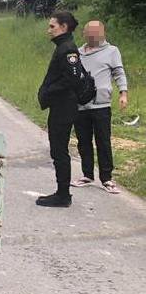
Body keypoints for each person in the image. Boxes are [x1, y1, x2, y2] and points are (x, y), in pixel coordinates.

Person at [71, 20, 128, 194]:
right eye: (89, 32)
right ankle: (87, 174)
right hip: (81, 105)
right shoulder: (77, 53)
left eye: (96, 33)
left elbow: (119, 73)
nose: (92, 36)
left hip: (101, 105)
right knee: (83, 141)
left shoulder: (112, 51)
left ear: (103, 34)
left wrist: (123, 93)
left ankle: (107, 178)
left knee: (103, 141)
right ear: (84, 33)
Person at [36, 11, 86, 207]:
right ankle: (62, 192)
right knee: (57, 149)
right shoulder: (63, 46)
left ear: (64, 27)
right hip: (60, 105)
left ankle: (63, 195)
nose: (49, 30)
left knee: (59, 150)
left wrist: (48, 91)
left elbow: (72, 79)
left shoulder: (68, 49)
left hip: (64, 106)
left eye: (52, 26)